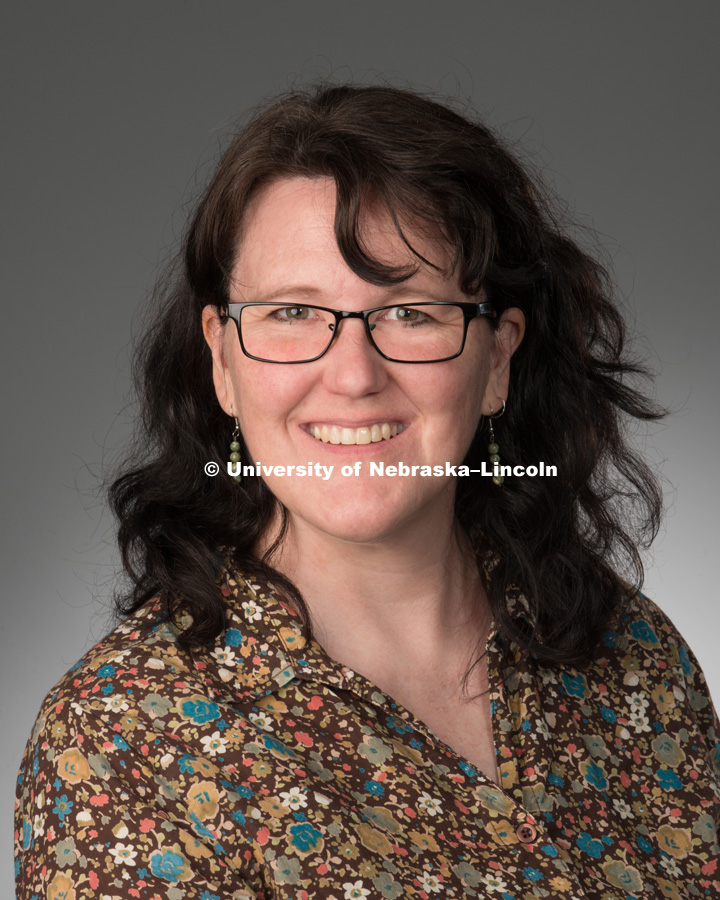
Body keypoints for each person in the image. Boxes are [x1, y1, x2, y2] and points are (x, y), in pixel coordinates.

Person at [14, 83, 719, 900]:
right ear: (222, 361)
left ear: (495, 359)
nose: (352, 377)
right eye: (290, 313)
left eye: (411, 313)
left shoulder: (633, 655)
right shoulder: (118, 739)